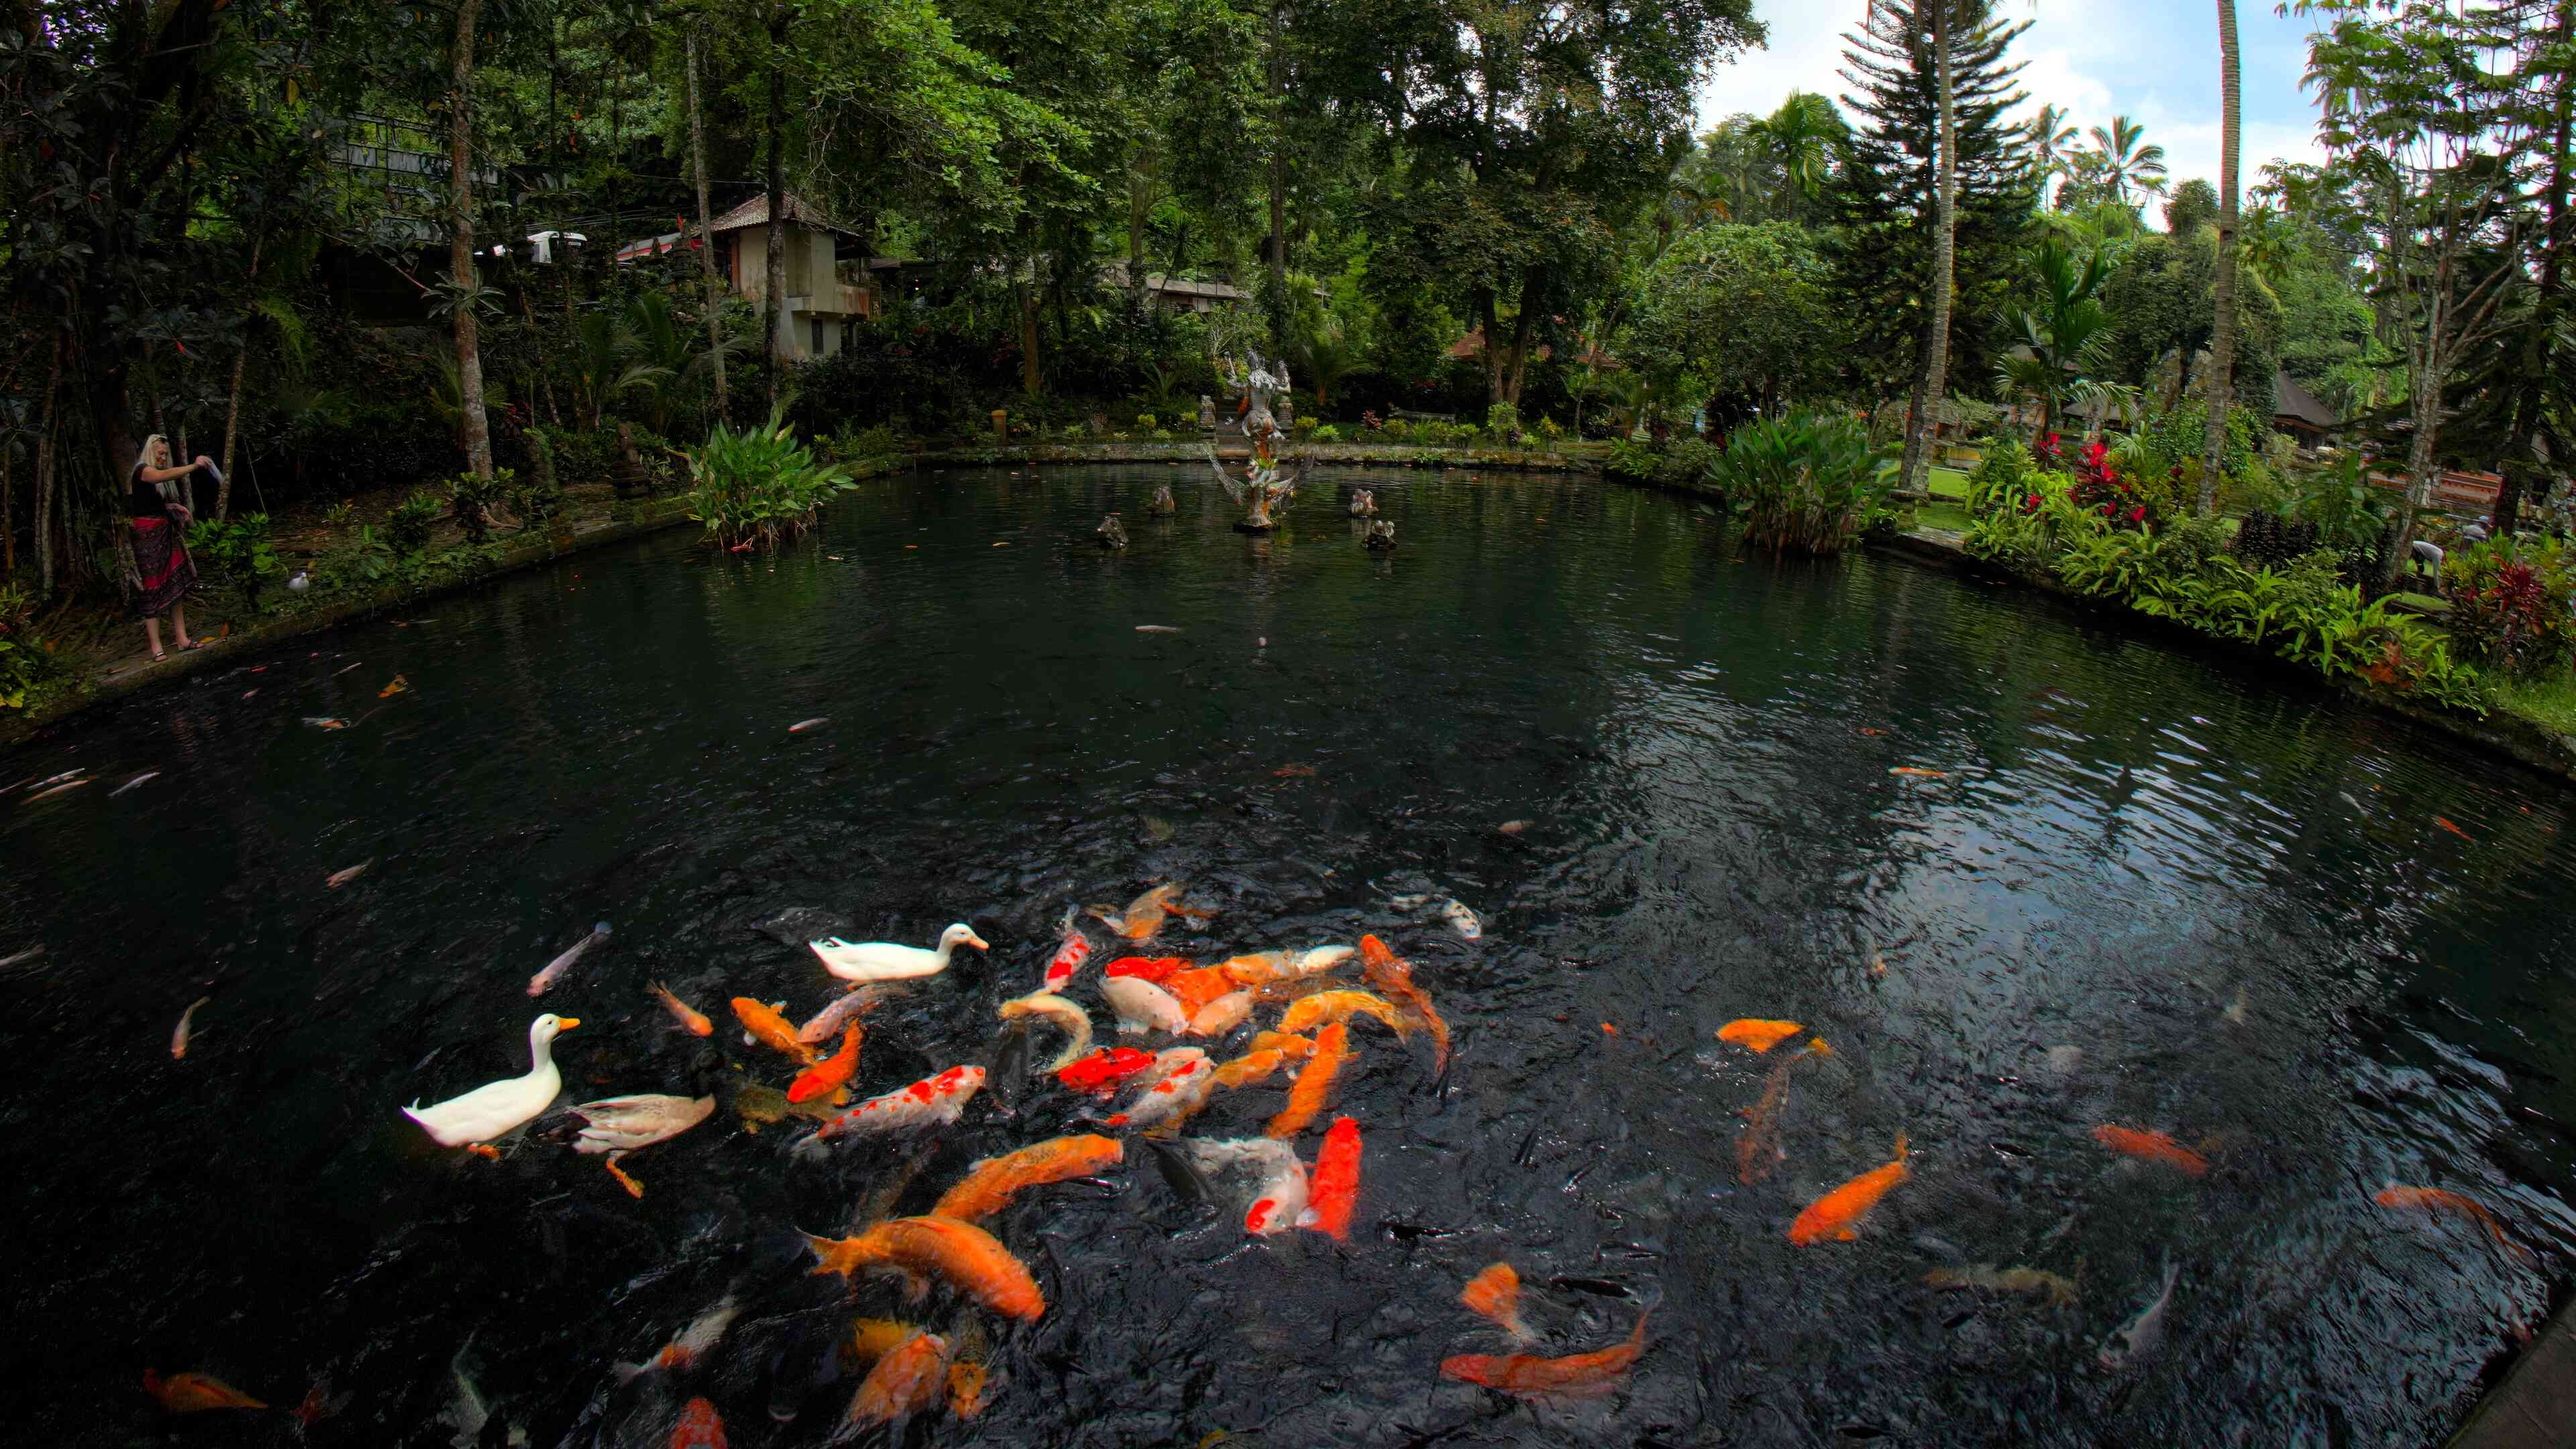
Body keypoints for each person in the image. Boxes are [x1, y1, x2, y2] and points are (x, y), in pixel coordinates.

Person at [128, 434, 205, 661]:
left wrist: (173, 506)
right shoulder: (143, 470)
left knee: (175, 584)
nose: (163, 457)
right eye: (159, 454)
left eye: (165, 454)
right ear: (150, 453)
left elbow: (149, 502)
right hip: (147, 538)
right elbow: (161, 476)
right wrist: (194, 466)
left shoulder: (154, 480)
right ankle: (156, 647)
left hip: (165, 533)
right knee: (151, 588)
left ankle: (182, 640)